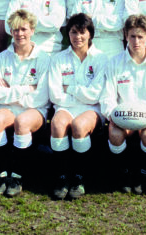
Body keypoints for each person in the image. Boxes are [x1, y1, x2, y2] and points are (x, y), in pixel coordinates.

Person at [100, 15, 146, 194]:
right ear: (125, 36)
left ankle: (143, 174)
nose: (136, 41)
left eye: (140, 37)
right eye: (132, 36)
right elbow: (107, 95)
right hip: (123, 117)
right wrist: (112, 115)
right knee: (115, 134)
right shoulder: (115, 62)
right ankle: (123, 173)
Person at [0, 10, 51, 197]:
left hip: (35, 109)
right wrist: (24, 88)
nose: (19, 34)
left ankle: (17, 175)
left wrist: (10, 89)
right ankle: (0, 174)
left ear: (32, 30)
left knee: (22, 122)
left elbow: (41, 97)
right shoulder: (2, 58)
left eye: (23, 29)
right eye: (15, 29)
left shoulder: (43, 58)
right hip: (8, 107)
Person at [48, 13, 107, 199]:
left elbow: (96, 94)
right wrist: (81, 94)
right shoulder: (58, 59)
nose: (77, 37)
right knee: (57, 125)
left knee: (79, 126)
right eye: (73, 32)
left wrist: (70, 88)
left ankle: (80, 177)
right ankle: (62, 176)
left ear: (90, 34)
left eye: (82, 32)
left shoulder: (101, 59)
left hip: (92, 109)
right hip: (65, 107)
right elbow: (55, 94)